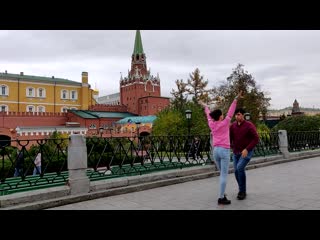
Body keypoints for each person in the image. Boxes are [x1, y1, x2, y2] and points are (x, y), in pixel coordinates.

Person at [199, 90, 242, 205]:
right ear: (220, 116)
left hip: (215, 151)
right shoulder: (224, 122)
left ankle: (222, 193)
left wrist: (205, 107)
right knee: (223, 174)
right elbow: (231, 112)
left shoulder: (211, 124)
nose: (224, 115)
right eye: (222, 114)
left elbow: (208, 115)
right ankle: (221, 197)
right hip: (224, 151)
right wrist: (236, 99)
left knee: (221, 173)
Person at [230, 108, 259, 200]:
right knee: (236, 171)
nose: (237, 116)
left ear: (243, 115)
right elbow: (229, 138)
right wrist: (231, 146)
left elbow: (256, 138)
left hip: (246, 152)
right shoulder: (233, 126)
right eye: (236, 114)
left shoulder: (249, 125)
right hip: (236, 152)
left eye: (238, 114)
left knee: (239, 168)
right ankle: (242, 189)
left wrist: (247, 149)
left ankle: (242, 191)